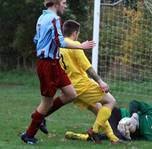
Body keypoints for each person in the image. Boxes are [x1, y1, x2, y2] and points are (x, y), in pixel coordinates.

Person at [20, 0, 95, 144]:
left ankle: (39, 117)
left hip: (54, 63)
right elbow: (60, 42)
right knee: (46, 103)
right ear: (56, 3)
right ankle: (29, 134)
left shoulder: (42, 18)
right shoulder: (54, 19)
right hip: (48, 65)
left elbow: (36, 39)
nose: (65, 5)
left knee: (71, 94)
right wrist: (81, 46)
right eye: (64, 2)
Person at [41, 20, 122, 144]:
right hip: (82, 84)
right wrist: (100, 81)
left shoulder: (58, 45)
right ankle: (94, 131)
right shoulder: (75, 45)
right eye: (78, 33)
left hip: (69, 88)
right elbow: (87, 67)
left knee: (98, 109)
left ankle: (113, 138)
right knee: (110, 101)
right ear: (74, 33)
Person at [65, 100, 152, 142]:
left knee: (118, 137)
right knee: (104, 109)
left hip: (122, 130)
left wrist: (129, 133)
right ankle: (83, 99)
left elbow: (136, 139)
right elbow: (134, 103)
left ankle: (83, 136)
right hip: (118, 114)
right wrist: (134, 116)